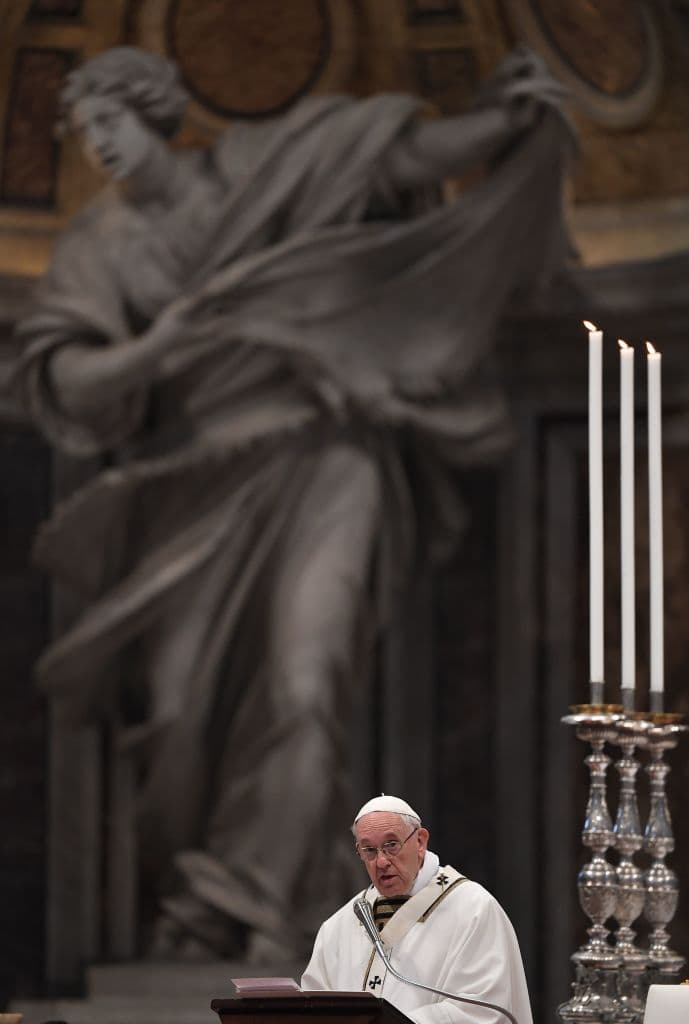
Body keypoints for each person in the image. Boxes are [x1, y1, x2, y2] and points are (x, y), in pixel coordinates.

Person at [14, 45, 573, 963]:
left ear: (152, 110)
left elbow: (390, 158)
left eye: (109, 121)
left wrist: (499, 122)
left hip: (324, 455)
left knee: (307, 685)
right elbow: (67, 379)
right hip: (190, 484)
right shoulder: (98, 244)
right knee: (177, 709)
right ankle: (204, 906)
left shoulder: (263, 164)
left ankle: (253, 914)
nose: (99, 144)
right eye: (84, 134)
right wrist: (165, 346)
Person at [302, 795, 532, 1024]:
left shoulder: (474, 909)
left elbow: (482, 1010)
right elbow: (313, 1009)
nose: (381, 862)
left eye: (391, 845)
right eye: (369, 850)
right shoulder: (339, 926)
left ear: (420, 842)